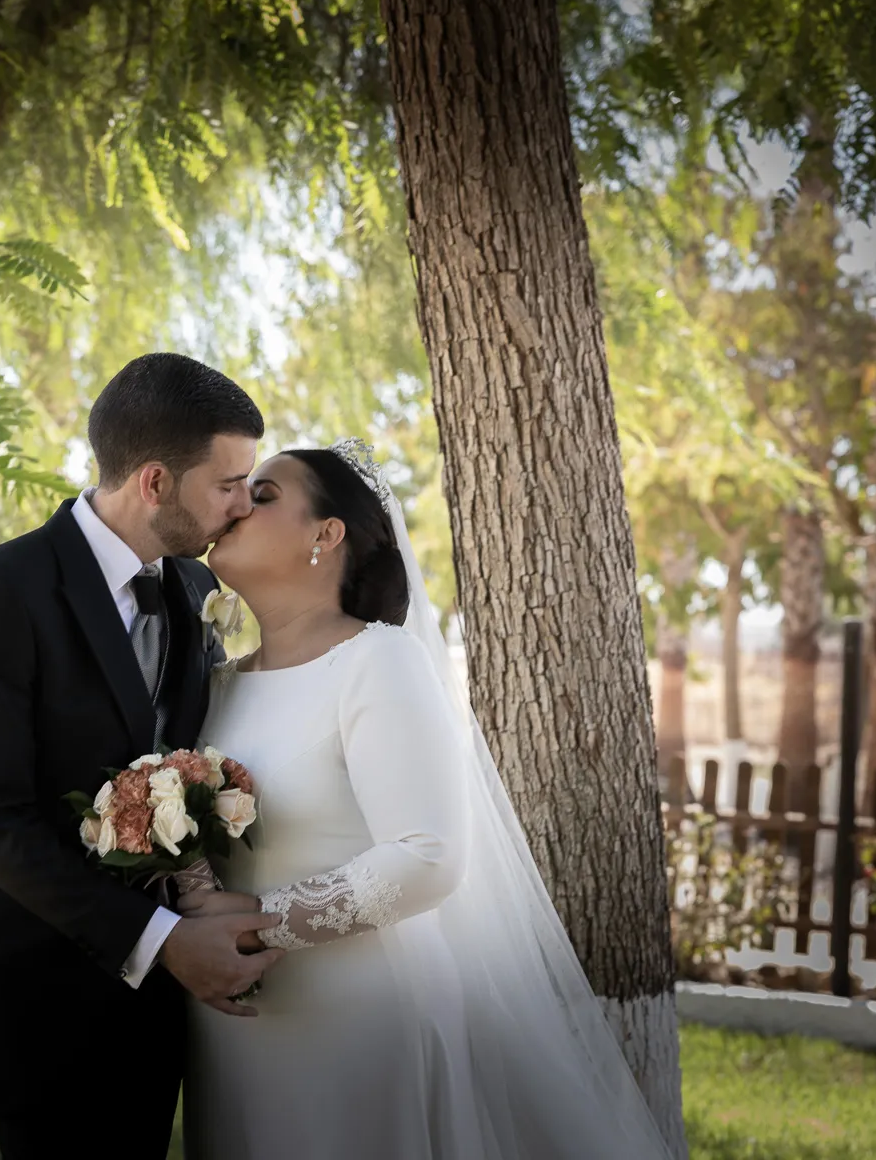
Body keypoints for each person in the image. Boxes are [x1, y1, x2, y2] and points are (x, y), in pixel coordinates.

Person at [179, 440, 676, 1159]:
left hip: (357, 1016)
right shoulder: (219, 682)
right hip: (232, 1016)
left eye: (263, 495)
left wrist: (260, 926)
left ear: (327, 534)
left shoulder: (377, 660)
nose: (233, 507)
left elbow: (429, 856)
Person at [0, 352, 286, 1160]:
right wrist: (161, 939)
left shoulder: (199, 594)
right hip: (43, 1003)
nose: (243, 504)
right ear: (156, 482)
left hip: (163, 1011)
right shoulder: (1, 589)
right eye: (228, 483)